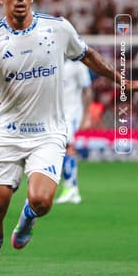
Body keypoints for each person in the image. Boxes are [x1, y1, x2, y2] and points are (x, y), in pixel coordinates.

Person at [0, 0, 138, 276]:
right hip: (7, 131)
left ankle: (29, 217)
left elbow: (88, 56)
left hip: (48, 132)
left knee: (43, 201)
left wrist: (125, 82)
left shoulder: (57, 28)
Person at [55, 59, 93, 204]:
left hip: (72, 113)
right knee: (62, 147)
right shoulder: (52, 60)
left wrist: (87, 115)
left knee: (67, 146)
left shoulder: (77, 65)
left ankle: (70, 187)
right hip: (55, 114)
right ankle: (72, 188)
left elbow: (87, 89)